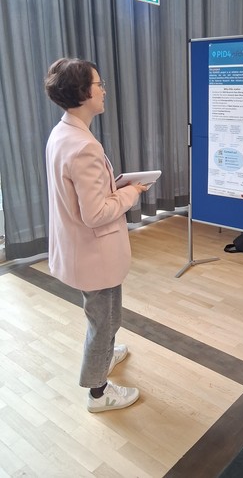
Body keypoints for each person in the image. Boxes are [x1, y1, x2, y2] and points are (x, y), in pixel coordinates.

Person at [45, 58, 148, 412]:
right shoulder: (83, 145)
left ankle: (104, 356)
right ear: (82, 92)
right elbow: (96, 213)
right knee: (104, 321)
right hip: (93, 251)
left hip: (80, 248)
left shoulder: (62, 133)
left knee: (106, 316)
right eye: (98, 84)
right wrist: (132, 192)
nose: (104, 90)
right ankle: (98, 392)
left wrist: (114, 187)